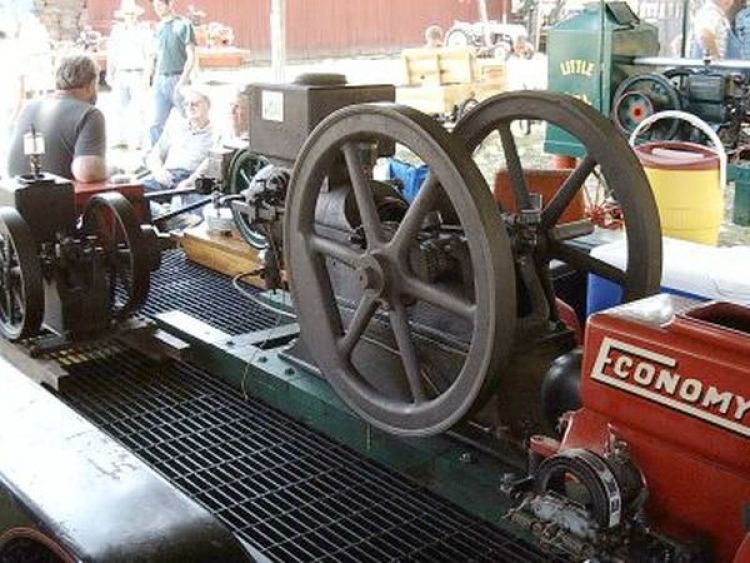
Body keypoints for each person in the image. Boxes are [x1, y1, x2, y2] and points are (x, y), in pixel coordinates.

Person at [7, 55, 106, 182]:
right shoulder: (89, 114)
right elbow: (88, 172)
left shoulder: (29, 108)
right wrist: (113, 171)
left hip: (14, 191)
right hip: (55, 193)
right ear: (91, 84)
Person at [144, 86, 213, 195]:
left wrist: (191, 181)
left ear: (207, 105)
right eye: (186, 104)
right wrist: (158, 171)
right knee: (131, 195)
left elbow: (210, 163)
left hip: (191, 181)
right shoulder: (175, 127)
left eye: (195, 104)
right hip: (165, 176)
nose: (190, 107)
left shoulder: (216, 133)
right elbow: (154, 154)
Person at [147, 0, 196, 146]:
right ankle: (154, 154)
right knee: (155, 123)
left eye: (160, 5)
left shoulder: (183, 25)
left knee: (190, 120)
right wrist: (150, 77)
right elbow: (156, 55)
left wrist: (182, 81)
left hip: (178, 77)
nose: (157, 9)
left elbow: (191, 56)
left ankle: (194, 152)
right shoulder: (158, 27)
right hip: (161, 78)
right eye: (155, 6)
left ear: (169, 4)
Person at [107, 0, 151, 149]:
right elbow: (112, 53)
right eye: (127, 14)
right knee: (118, 107)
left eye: (132, 14)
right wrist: (110, 72)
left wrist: (147, 76)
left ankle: (138, 140)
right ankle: (120, 139)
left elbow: (149, 55)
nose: (130, 16)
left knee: (139, 108)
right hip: (121, 72)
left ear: (136, 15)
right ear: (123, 15)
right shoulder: (117, 31)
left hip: (138, 72)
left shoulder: (144, 31)